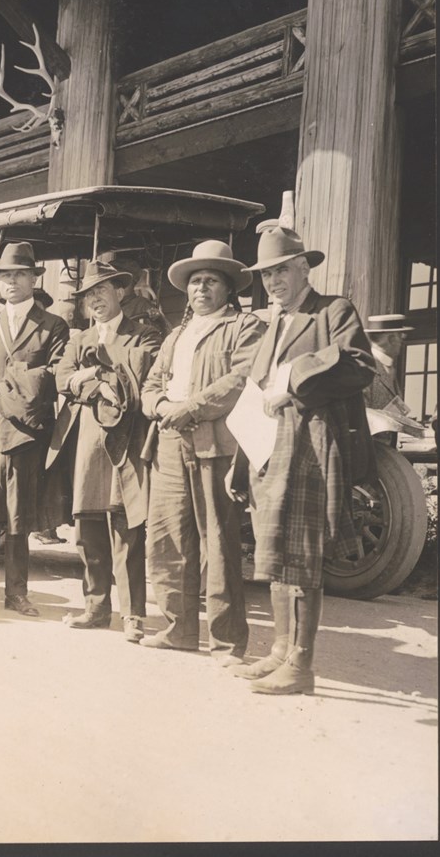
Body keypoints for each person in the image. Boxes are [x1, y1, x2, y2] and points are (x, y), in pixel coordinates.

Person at [228, 223, 374, 696]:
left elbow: (359, 366)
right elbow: (254, 396)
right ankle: (279, 650)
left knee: (302, 555)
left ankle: (301, 664)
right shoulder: (272, 326)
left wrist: (294, 379)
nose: (272, 283)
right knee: (274, 554)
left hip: (312, 444)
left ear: (303, 268)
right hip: (269, 450)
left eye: (281, 271)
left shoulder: (334, 311)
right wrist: (240, 463)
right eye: (266, 275)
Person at [140, 241, 264, 663]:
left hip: (217, 445)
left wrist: (189, 408)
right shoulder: (176, 334)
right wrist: (161, 407)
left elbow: (241, 379)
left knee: (219, 544)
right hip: (169, 443)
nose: (202, 289)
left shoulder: (246, 327)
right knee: (168, 537)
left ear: (228, 289)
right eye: (195, 282)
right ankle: (179, 629)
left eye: (212, 281)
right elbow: (151, 385)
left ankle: (227, 643)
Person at [54, 259, 162, 642]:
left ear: (120, 292)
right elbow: (62, 379)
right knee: (88, 529)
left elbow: (135, 380)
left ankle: (133, 615)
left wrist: (96, 374)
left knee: (127, 527)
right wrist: (92, 380)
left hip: (127, 441)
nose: (95, 300)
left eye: (102, 290)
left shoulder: (144, 335)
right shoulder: (78, 340)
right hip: (88, 443)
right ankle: (95, 607)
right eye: (88, 295)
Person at [0, 242, 69, 615]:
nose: (11, 282)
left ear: (33, 279)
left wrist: (3, 393)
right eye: (5, 276)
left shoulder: (53, 325)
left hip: (25, 433)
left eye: (19, 274)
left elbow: (53, 376)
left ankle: (17, 593)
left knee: (18, 515)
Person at [361, 314, 415, 414]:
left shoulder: (389, 368)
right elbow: (360, 416)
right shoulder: (364, 368)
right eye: (401, 336)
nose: (402, 341)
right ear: (392, 339)